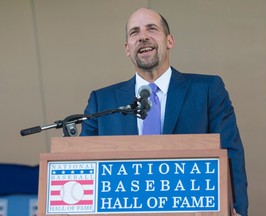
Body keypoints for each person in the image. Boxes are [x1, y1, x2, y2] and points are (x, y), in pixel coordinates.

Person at [80, 8, 248, 215]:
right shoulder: (102, 102)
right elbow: (82, 163)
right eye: (135, 32)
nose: (143, 37)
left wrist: (236, 208)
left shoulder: (207, 89)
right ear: (126, 48)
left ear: (170, 41)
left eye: (152, 29)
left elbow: (230, 153)